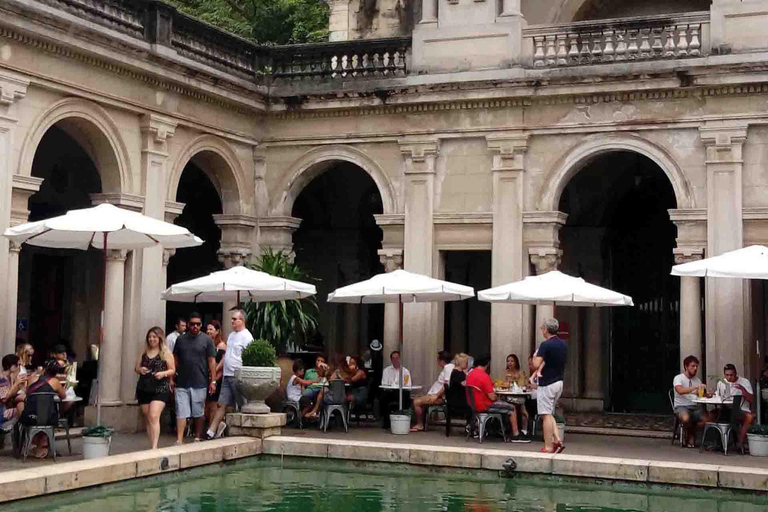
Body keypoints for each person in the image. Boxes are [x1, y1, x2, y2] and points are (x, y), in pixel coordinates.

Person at [206, 309, 253, 440]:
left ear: (242, 320)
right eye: (231, 319)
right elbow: (227, 355)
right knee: (222, 403)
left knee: (241, 404)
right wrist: (217, 368)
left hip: (238, 375)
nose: (231, 321)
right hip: (227, 374)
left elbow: (249, 357)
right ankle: (211, 430)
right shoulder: (232, 335)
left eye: (234, 319)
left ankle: (244, 431)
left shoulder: (247, 337)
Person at [173, 312, 216, 444]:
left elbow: (211, 361)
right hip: (182, 382)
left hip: (200, 381)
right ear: (188, 325)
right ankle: (179, 440)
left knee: (198, 412)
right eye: (192, 324)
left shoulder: (207, 340)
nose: (195, 326)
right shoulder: (180, 340)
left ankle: (197, 437)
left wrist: (213, 381)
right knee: (181, 411)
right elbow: (175, 359)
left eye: (198, 324)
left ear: (201, 325)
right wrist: (172, 376)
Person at [466, 356, 530, 443]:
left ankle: (501, 429)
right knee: (511, 407)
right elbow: (492, 397)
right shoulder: (484, 376)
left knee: (504, 404)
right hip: (485, 405)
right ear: (487, 365)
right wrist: (497, 397)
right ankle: (516, 434)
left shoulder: (470, 374)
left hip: (473, 405)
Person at [135, 326, 175, 449]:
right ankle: (151, 442)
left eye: (154, 337)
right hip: (144, 387)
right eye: (150, 337)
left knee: (154, 415)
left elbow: (172, 370)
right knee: (148, 417)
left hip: (160, 387)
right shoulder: (143, 352)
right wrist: (140, 369)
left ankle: (154, 447)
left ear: (159, 338)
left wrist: (163, 373)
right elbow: (136, 368)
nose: (151, 339)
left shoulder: (166, 353)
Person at [531, 318, 567, 453]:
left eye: (542, 328)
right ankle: (557, 439)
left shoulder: (545, 345)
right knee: (550, 413)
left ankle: (548, 446)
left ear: (546, 329)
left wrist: (535, 355)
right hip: (559, 382)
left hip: (547, 383)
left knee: (545, 415)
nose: (541, 330)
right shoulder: (563, 344)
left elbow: (535, 364)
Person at [21, 359, 67, 458]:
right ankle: (43, 444)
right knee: (49, 414)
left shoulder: (32, 378)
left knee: (40, 412)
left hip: (29, 417)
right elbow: (63, 396)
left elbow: (26, 393)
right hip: (47, 419)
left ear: (44, 369)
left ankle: (39, 444)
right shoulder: (55, 382)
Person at [411, 350, 454, 432]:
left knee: (416, 401)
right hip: (434, 394)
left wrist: (436, 395)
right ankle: (421, 423)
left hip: (439, 396)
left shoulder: (448, 368)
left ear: (441, 360)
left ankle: (420, 424)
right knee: (418, 399)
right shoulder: (448, 368)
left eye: (438, 359)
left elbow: (447, 385)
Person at [673, 354, 710, 448]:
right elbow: (680, 391)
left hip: (695, 406)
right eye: (692, 366)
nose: (695, 368)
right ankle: (689, 436)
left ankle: (691, 434)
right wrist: (695, 387)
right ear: (686, 366)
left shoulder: (697, 380)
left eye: (696, 366)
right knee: (685, 418)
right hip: (681, 406)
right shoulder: (678, 378)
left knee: (707, 420)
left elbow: (699, 394)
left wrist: (707, 395)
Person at [715, 363, 755, 450]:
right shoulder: (721, 382)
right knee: (712, 415)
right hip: (726, 408)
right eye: (727, 375)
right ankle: (717, 443)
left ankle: (740, 442)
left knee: (749, 417)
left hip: (741, 409)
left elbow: (751, 399)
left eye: (731, 375)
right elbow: (717, 397)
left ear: (736, 373)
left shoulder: (744, 382)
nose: (729, 378)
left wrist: (743, 390)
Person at [205, 320, 227, 425]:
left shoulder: (221, 345)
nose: (208, 331)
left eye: (211, 329)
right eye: (207, 329)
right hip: (206, 376)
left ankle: (211, 427)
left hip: (217, 377)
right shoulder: (206, 343)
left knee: (214, 404)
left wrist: (214, 370)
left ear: (217, 331)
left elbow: (223, 361)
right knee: (206, 404)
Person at [502, 353, 529, 437]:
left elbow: (522, 385)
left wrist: (515, 379)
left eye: (512, 361)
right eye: (508, 361)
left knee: (522, 408)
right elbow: (502, 384)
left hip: (519, 396)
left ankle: (524, 430)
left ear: (516, 363)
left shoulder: (521, 373)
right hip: (507, 396)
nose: (509, 363)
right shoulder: (505, 373)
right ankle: (507, 428)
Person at [1, 354, 27, 429]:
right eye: (17, 365)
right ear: (11, 366)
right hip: (2, 411)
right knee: (22, 408)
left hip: (7, 406)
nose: (18, 367)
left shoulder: (10, 377)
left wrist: (20, 386)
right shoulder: (2, 379)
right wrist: (16, 384)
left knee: (22, 402)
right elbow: (5, 399)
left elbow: (11, 394)